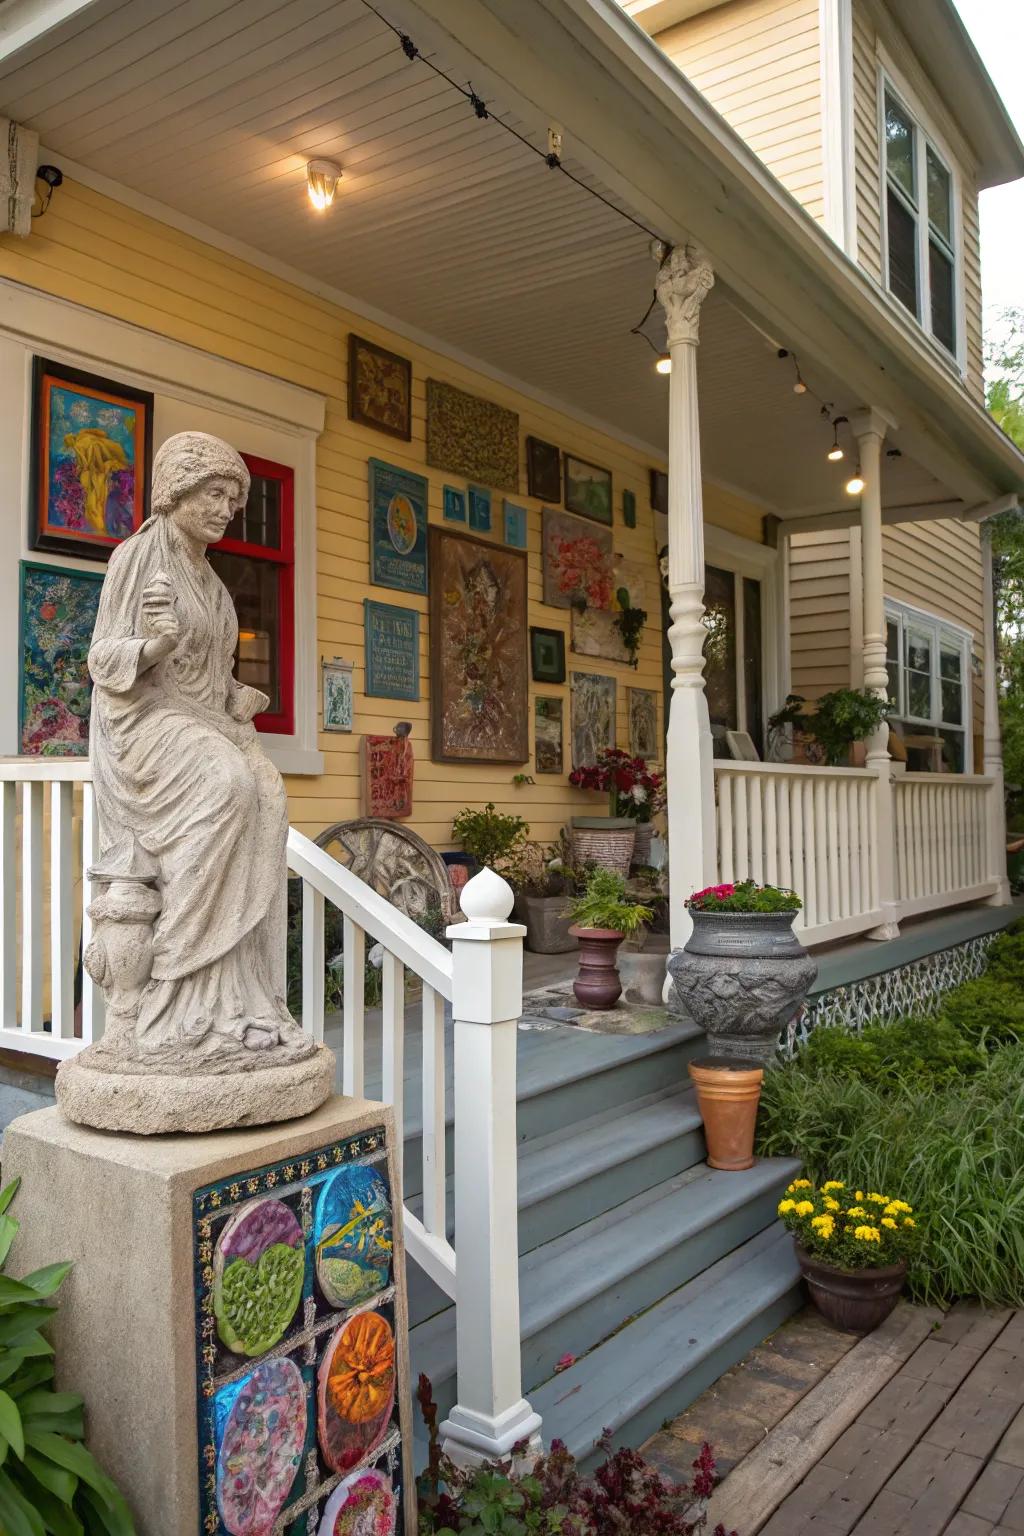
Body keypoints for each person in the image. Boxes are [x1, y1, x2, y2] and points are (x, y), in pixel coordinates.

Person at [88, 431, 311, 1063]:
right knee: (227, 782)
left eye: (232, 502)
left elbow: (208, 680)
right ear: (178, 489)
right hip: (141, 727)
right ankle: (175, 988)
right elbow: (102, 660)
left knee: (266, 789)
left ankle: (241, 998)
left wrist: (238, 696)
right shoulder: (138, 559)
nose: (223, 511)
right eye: (213, 494)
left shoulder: (211, 583)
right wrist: (153, 646)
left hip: (195, 721)